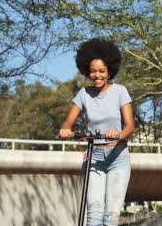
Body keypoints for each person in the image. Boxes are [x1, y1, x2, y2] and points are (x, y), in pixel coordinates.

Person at [59, 38, 134, 226]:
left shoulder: (120, 91)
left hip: (118, 157)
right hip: (94, 157)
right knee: (94, 214)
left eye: (102, 71)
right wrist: (66, 128)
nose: (97, 75)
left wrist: (118, 135)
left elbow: (130, 126)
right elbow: (69, 120)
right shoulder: (84, 94)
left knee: (111, 216)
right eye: (93, 71)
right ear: (86, 71)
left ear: (109, 71)